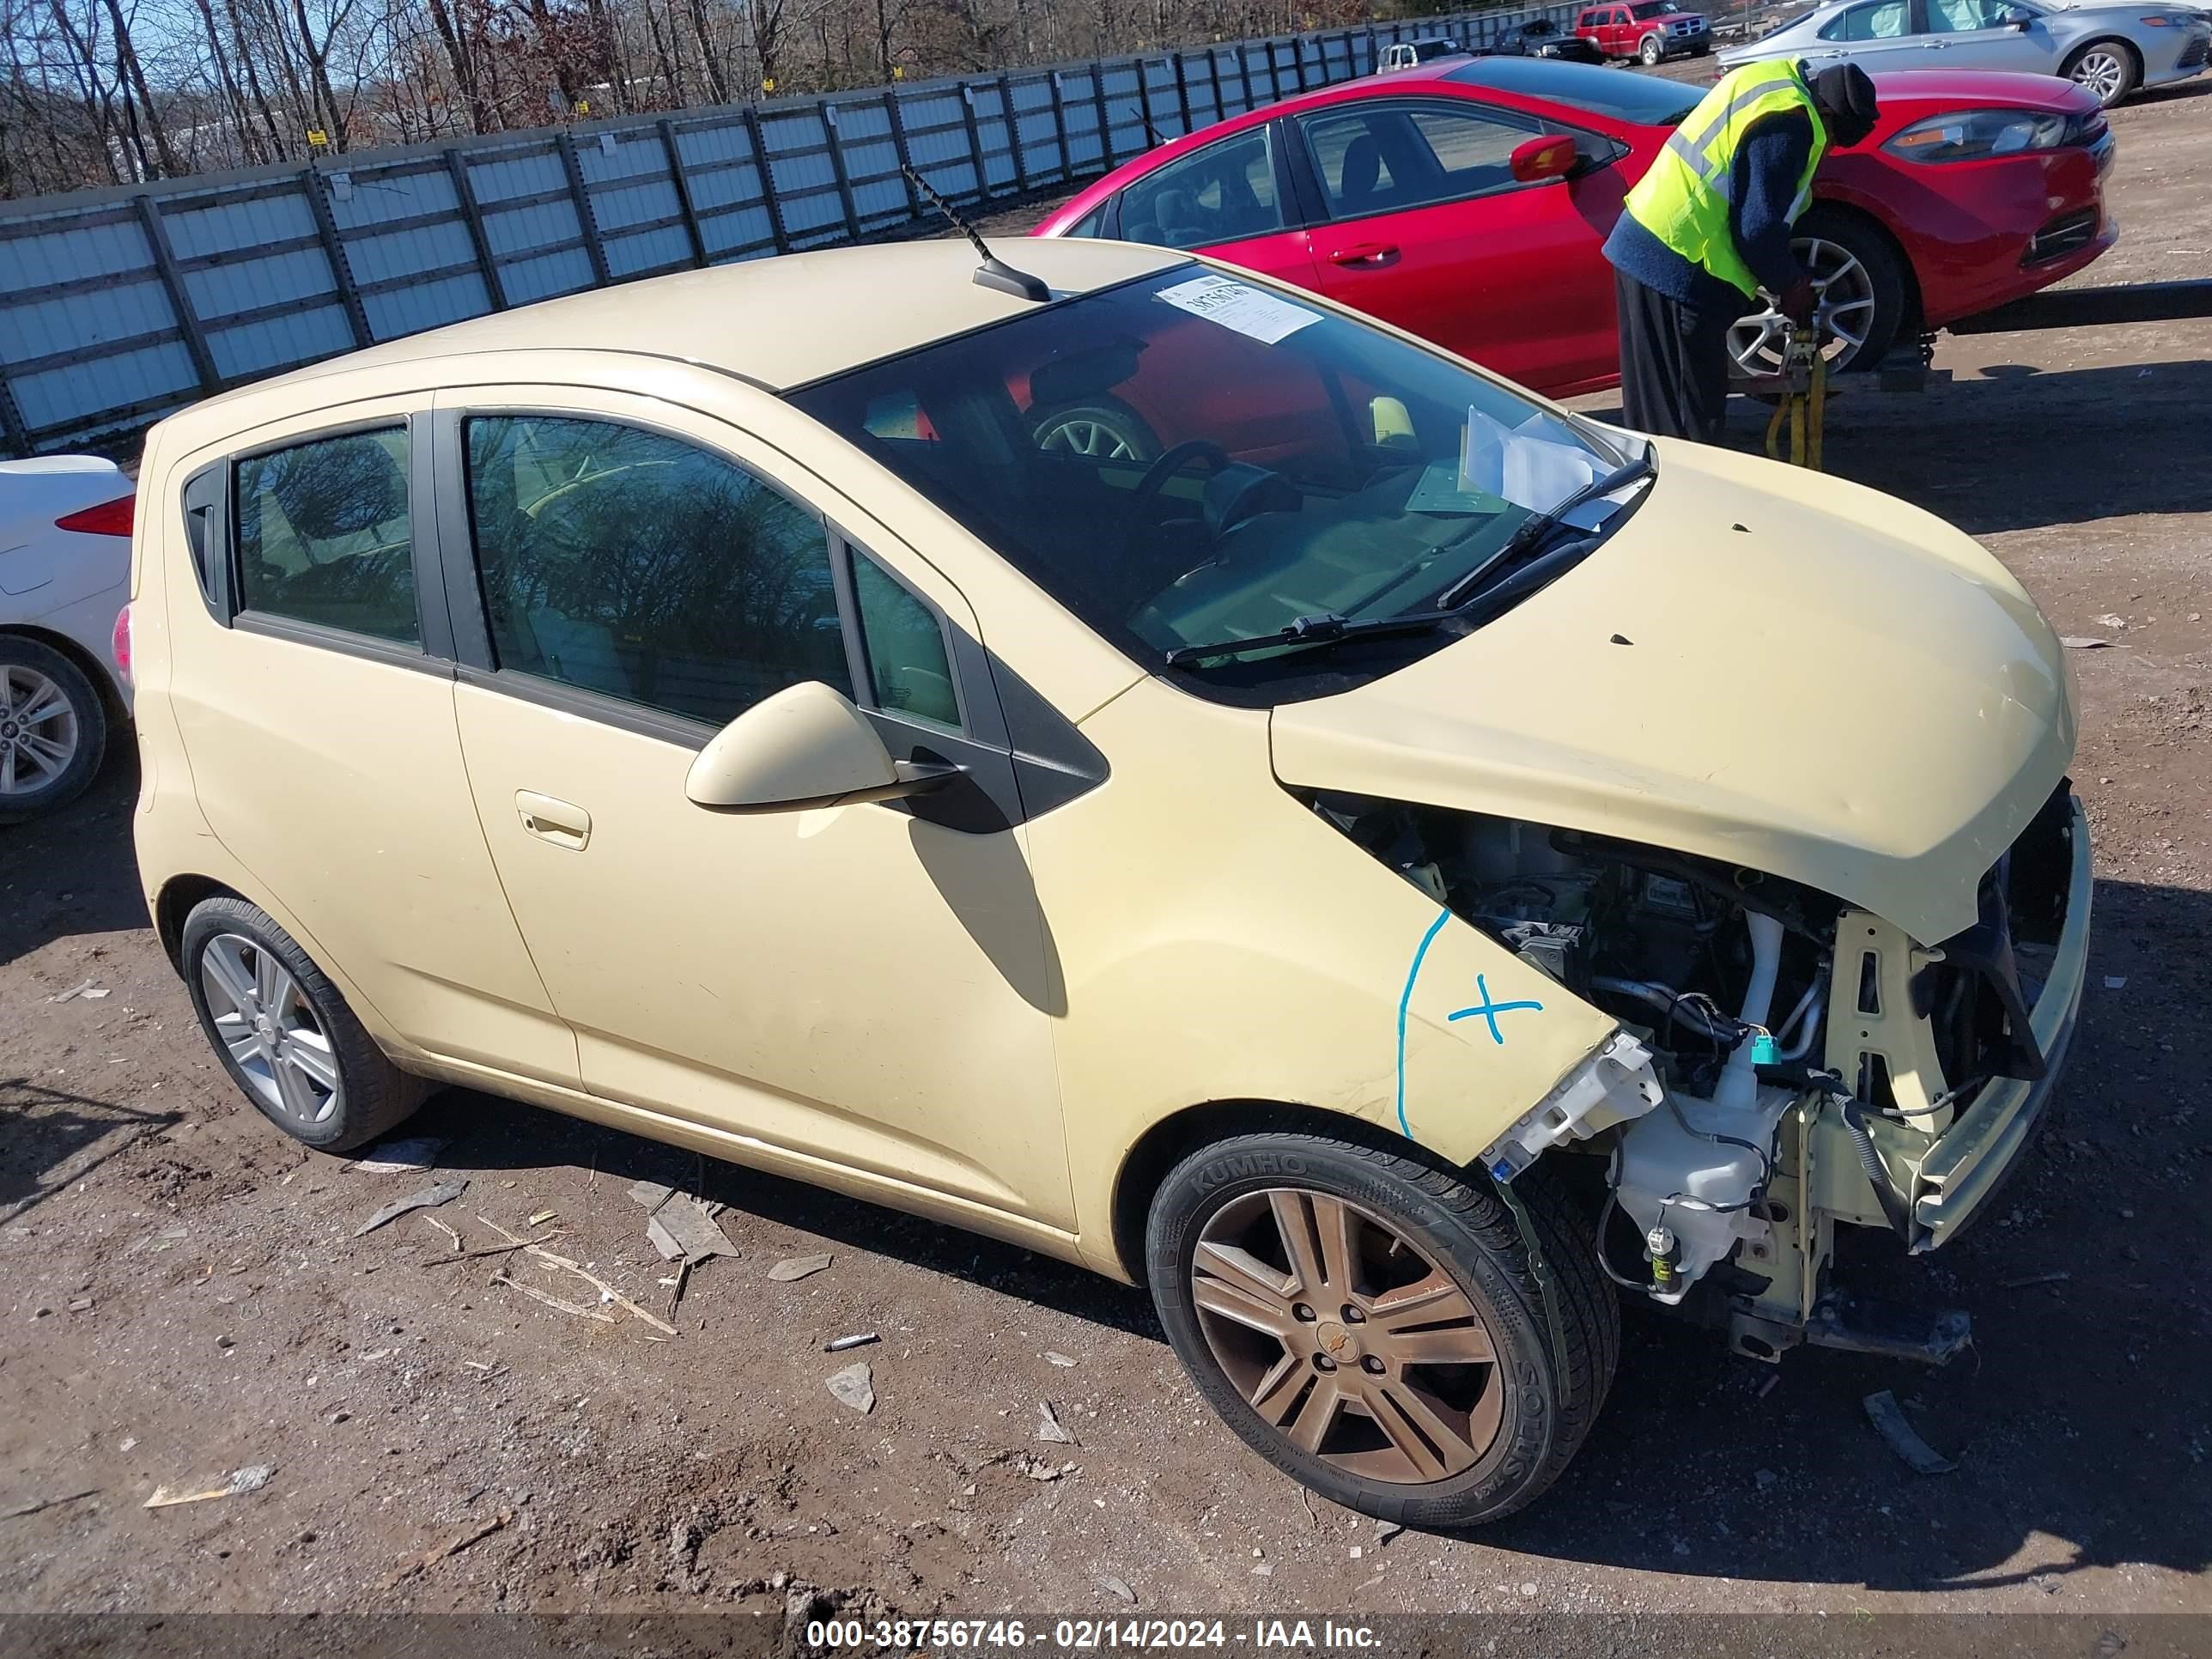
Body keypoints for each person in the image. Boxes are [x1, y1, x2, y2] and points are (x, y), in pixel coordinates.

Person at [1602, 60, 1881, 444]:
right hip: (1678, 264)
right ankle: (1688, 499)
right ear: (1827, 114)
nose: (1827, 150)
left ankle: (1667, 491)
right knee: (1687, 422)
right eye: (1832, 139)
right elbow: (1757, 230)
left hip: (1650, 243)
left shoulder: (1772, 81)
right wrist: (1791, 286)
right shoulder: (1792, 123)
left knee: (1655, 410)